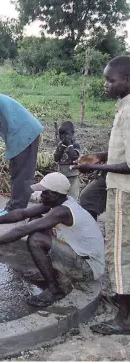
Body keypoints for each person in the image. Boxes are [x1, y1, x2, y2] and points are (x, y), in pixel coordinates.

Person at [0, 172, 105, 308]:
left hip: (88, 268)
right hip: (78, 256)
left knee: (36, 239)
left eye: (44, 193)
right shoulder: (58, 203)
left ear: (56, 194)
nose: (41, 197)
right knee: (35, 220)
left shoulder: (63, 211)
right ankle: (51, 276)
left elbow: (21, 231)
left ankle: (54, 290)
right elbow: (22, 213)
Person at [73, 56, 130, 335]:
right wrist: (100, 158)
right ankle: (122, 300)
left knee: (120, 250)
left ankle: (124, 319)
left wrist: (92, 166)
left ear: (127, 81)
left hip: (123, 189)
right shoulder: (124, 107)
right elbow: (123, 152)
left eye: (111, 80)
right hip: (117, 184)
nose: (106, 85)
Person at [0, 90, 44, 216]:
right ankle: (16, 207)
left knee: (21, 174)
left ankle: (15, 210)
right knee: (17, 171)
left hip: (24, 134)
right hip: (21, 133)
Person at [53, 121, 81, 200]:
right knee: (60, 196)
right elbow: (56, 158)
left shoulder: (75, 144)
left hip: (72, 176)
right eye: (61, 134)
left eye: (66, 134)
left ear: (72, 133)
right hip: (61, 175)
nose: (63, 136)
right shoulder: (60, 144)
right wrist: (61, 148)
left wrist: (69, 145)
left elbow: (74, 157)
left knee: (72, 197)